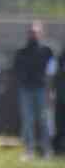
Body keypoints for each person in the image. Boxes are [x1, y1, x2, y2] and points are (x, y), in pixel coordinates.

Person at [12, 21, 55, 160]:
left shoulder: (47, 51)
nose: (33, 34)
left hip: (42, 90)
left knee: (43, 120)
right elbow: (16, 70)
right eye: (31, 32)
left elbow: (51, 72)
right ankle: (29, 150)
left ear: (41, 33)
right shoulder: (21, 52)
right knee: (27, 120)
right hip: (25, 90)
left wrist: (50, 90)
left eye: (36, 32)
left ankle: (46, 149)